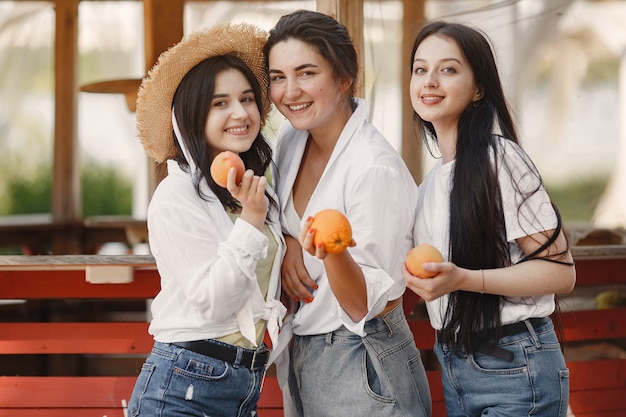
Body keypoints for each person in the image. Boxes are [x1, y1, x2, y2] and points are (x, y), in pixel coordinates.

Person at [404, 20, 576, 417]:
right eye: (420, 69)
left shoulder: (500, 160)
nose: (429, 81)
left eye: (447, 69)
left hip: (516, 363)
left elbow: (561, 272)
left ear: (479, 88)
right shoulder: (429, 186)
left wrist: (464, 279)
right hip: (456, 363)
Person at [265, 10, 432, 417]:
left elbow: (364, 305)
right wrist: (288, 243)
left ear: (344, 77)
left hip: (363, 357)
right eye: (277, 77)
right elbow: (274, 210)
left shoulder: (374, 168)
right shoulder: (290, 140)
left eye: (306, 73)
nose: (290, 92)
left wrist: (328, 250)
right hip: (305, 349)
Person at [126, 23, 286, 417]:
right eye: (220, 103)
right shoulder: (176, 196)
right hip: (185, 382)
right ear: (193, 115)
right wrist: (250, 221)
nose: (241, 112)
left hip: (242, 382)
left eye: (247, 99)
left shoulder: (256, 188)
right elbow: (214, 302)